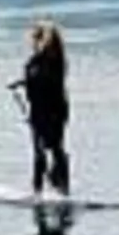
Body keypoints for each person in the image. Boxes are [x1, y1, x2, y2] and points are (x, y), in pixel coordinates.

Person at [11, 20, 70, 196]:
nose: (33, 42)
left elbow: (43, 81)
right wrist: (21, 83)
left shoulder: (52, 61)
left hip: (49, 110)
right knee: (49, 149)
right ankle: (54, 188)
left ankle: (44, 190)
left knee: (47, 150)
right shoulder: (47, 60)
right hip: (47, 109)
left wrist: (27, 82)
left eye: (36, 38)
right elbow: (38, 80)